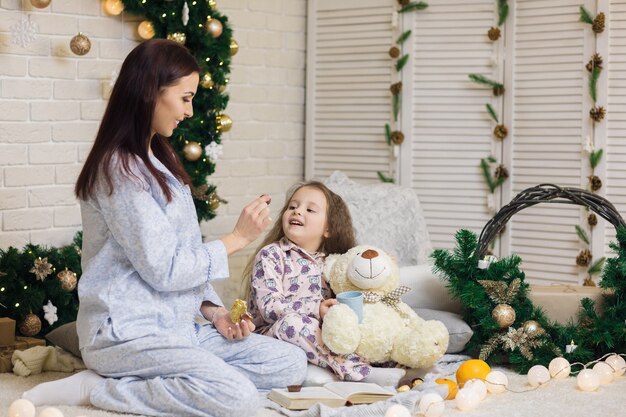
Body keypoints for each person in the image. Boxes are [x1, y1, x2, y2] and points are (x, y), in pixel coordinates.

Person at [21, 39, 307, 417]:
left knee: (290, 363)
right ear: (150, 92)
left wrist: (214, 312)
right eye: (185, 98)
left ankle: (182, 377)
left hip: (176, 327)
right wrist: (237, 238)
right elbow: (165, 267)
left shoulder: (159, 158)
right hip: (127, 331)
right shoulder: (118, 171)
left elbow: (184, 250)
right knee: (239, 398)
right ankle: (100, 390)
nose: (189, 111)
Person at [244, 181, 406, 386]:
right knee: (290, 324)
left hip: (325, 330)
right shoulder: (272, 255)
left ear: (328, 229)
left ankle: (389, 361)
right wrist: (315, 309)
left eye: (310, 209)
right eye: (292, 207)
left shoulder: (334, 262)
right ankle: (360, 371)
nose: (297, 212)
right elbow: (269, 308)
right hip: (273, 333)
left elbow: (360, 288)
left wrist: (382, 267)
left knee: (359, 318)